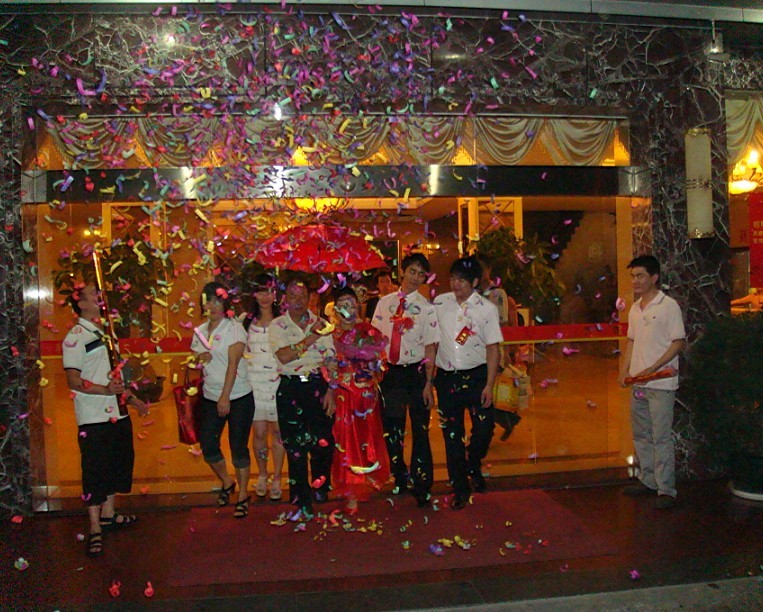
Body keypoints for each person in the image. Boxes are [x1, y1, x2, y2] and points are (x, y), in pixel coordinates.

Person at [63, 282, 149, 557]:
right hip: (93, 416)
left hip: (117, 412)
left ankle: (109, 514)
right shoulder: (75, 337)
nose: (100, 297)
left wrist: (131, 399)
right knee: (95, 470)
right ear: (80, 303)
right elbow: (73, 380)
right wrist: (105, 391)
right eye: (93, 294)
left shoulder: (105, 332)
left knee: (117, 464)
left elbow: (114, 374)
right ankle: (94, 527)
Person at [433, 256, 502, 510]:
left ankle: (473, 462)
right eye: (453, 278)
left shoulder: (486, 309)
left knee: (484, 429)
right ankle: (460, 487)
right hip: (447, 378)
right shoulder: (440, 303)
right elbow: (431, 340)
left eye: (461, 280)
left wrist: (489, 385)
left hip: (477, 377)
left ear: (474, 282)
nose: (455, 284)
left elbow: (493, 349)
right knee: (452, 434)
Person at [618, 255, 686, 510]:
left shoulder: (668, 306)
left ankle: (666, 489)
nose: (635, 281)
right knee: (642, 435)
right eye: (633, 276)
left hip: (660, 383)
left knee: (661, 436)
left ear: (654, 277)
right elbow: (631, 341)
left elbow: (678, 342)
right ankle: (648, 480)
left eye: (640, 276)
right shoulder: (635, 308)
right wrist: (624, 370)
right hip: (639, 384)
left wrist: (654, 367)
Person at [372, 253, 438, 507]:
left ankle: (422, 484)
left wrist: (429, 383)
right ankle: (399, 476)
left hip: (416, 373)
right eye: (412, 271)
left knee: (420, 430)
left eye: (421, 274)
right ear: (402, 272)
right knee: (393, 429)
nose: (415, 278)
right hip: (391, 373)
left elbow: (430, 347)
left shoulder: (427, 308)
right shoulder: (384, 304)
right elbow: (375, 340)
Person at [270, 280, 336, 519]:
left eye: (302, 296)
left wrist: (331, 391)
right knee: (295, 445)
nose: (298, 301)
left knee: (323, 441)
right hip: (291, 386)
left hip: (318, 384)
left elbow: (331, 360)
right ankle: (301, 496)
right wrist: (311, 338)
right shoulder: (277, 325)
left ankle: (320, 486)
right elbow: (285, 356)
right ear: (285, 298)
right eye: (292, 295)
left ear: (310, 298)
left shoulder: (323, 324)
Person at [191, 282, 255, 519]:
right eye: (207, 301)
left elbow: (233, 365)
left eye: (217, 301)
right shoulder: (200, 331)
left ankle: (243, 495)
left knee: (238, 446)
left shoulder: (235, 329)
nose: (212, 306)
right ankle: (227, 482)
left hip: (238, 396)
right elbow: (195, 358)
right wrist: (200, 358)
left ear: (225, 303)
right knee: (208, 445)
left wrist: (225, 397)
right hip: (210, 395)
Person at [329, 287, 391, 514]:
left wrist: (374, 367)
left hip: (366, 396)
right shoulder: (330, 335)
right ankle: (351, 489)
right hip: (344, 396)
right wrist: (335, 372)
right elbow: (326, 365)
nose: (349, 310)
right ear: (335, 310)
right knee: (346, 441)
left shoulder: (368, 331)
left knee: (368, 437)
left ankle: (367, 478)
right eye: (343, 305)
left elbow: (382, 361)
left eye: (352, 305)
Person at [243, 273, 285, 501]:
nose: (265, 296)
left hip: (278, 383)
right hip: (254, 384)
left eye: (269, 291)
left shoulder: (283, 320)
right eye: (260, 291)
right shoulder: (245, 321)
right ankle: (261, 474)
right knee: (259, 433)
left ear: (275, 293)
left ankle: (277, 477)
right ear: (254, 294)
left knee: (278, 433)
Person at [477, 254, 521, 442]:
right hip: (475, 353)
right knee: (483, 394)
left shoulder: (498, 294)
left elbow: (503, 324)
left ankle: (492, 427)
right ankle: (504, 421)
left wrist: (509, 351)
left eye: (481, 268)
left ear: (488, 270)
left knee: (487, 393)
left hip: (494, 352)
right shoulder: (471, 292)